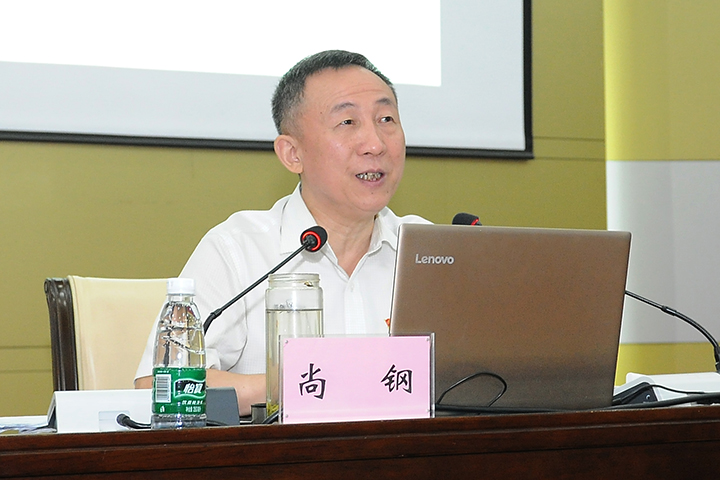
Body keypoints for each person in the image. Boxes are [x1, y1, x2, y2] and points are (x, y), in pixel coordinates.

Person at [134, 50, 429, 415]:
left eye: (386, 119)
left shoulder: (429, 252)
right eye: (347, 122)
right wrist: (312, 382)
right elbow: (158, 385)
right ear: (292, 154)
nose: (375, 144)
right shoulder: (238, 248)